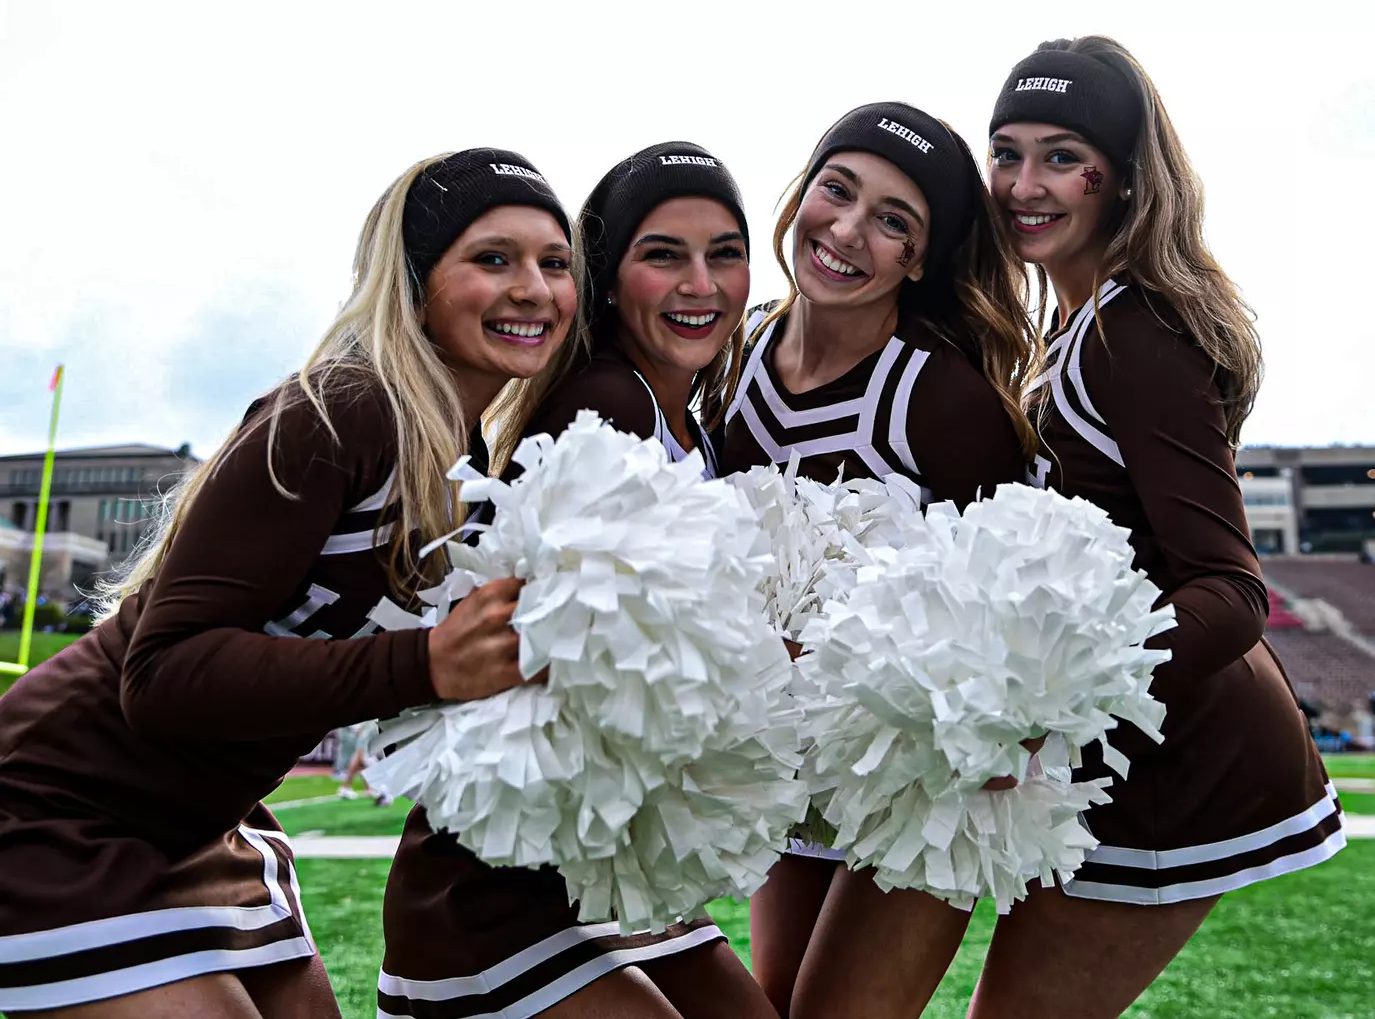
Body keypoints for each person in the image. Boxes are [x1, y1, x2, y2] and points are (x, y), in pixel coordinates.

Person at [0, 148, 580, 1019]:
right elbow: (161, 676)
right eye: (492, 258)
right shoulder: (343, 408)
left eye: (555, 263)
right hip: (60, 811)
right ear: (412, 282)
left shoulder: (465, 463)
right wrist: (425, 663)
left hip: (209, 822)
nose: (533, 289)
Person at [935, 35, 1343, 1019]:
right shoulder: (1068, 329)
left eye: (1060, 157)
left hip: (1181, 758)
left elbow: (1229, 591)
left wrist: (1045, 702)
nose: (1023, 184)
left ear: (1121, 178)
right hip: (1121, 749)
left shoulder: (1137, 333)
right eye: (1006, 153)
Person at [378, 142, 778, 1019]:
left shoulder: (686, 421)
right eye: (662, 255)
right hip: (500, 876)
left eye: (724, 253)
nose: (700, 284)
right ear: (605, 280)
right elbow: (557, 656)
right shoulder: (609, 405)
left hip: (598, 864)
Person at [714, 102, 1038, 1018]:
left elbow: (1019, 596)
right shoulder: (734, 357)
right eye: (837, 190)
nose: (848, 230)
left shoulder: (939, 398)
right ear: (800, 196)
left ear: (919, 260)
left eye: (893, 220)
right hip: (802, 764)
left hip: (926, 779)